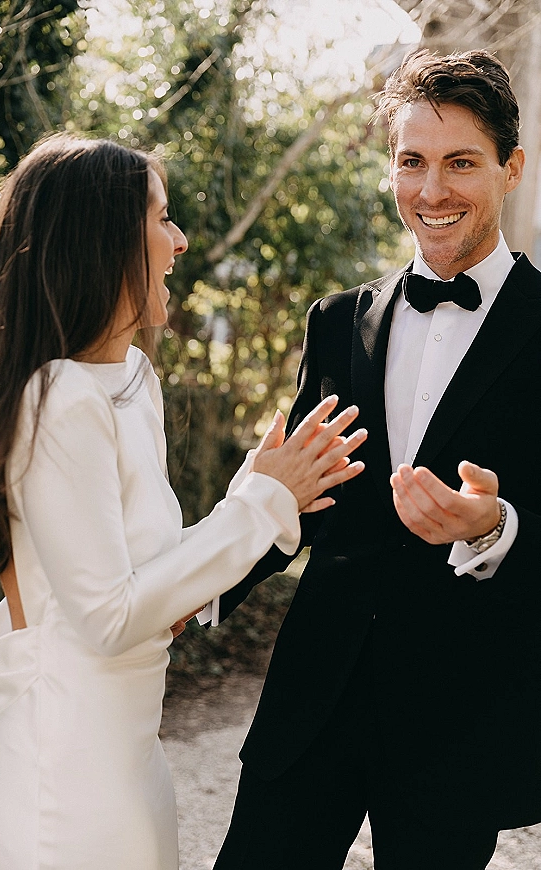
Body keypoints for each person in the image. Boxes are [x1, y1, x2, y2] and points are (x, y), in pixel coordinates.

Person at [0, 134, 368, 870]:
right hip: (60, 775)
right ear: (103, 242)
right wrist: (264, 504)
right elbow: (110, 616)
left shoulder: (132, 382)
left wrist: (260, 487)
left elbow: (148, 576)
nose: (178, 241)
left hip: (129, 756)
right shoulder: (58, 399)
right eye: (161, 217)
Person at [210, 49, 541, 870]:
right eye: (411, 162)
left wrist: (497, 526)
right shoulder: (335, 323)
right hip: (314, 697)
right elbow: (294, 499)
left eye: (461, 162)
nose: (432, 192)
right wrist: (189, 593)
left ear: (512, 169)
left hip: (461, 712)